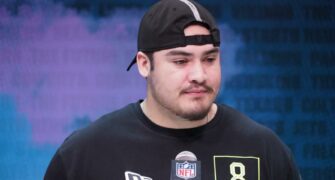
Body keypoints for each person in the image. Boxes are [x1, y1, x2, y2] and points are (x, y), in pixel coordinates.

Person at [44, 0, 301, 179]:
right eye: (181, 61)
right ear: (144, 64)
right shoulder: (86, 154)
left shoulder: (264, 150)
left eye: (210, 59)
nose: (199, 75)